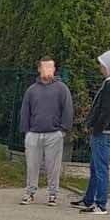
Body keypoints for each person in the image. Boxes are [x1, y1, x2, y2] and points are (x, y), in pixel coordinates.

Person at [75, 50, 110, 215]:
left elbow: (107, 111)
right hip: (108, 130)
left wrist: (96, 128)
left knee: (100, 168)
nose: (101, 68)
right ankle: (89, 198)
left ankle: (101, 204)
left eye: (103, 65)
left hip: (105, 131)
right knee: (95, 166)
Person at [19, 57, 73, 206]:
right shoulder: (31, 90)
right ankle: (30, 193)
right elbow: (25, 111)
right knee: (32, 166)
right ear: (39, 69)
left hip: (54, 134)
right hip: (33, 134)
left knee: (53, 167)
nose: (48, 70)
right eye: (45, 67)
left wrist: (63, 129)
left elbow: (67, 109)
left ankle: (52, 194)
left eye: (51, 67)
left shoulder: (62, 88)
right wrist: (26, 131)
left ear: (54, 69)